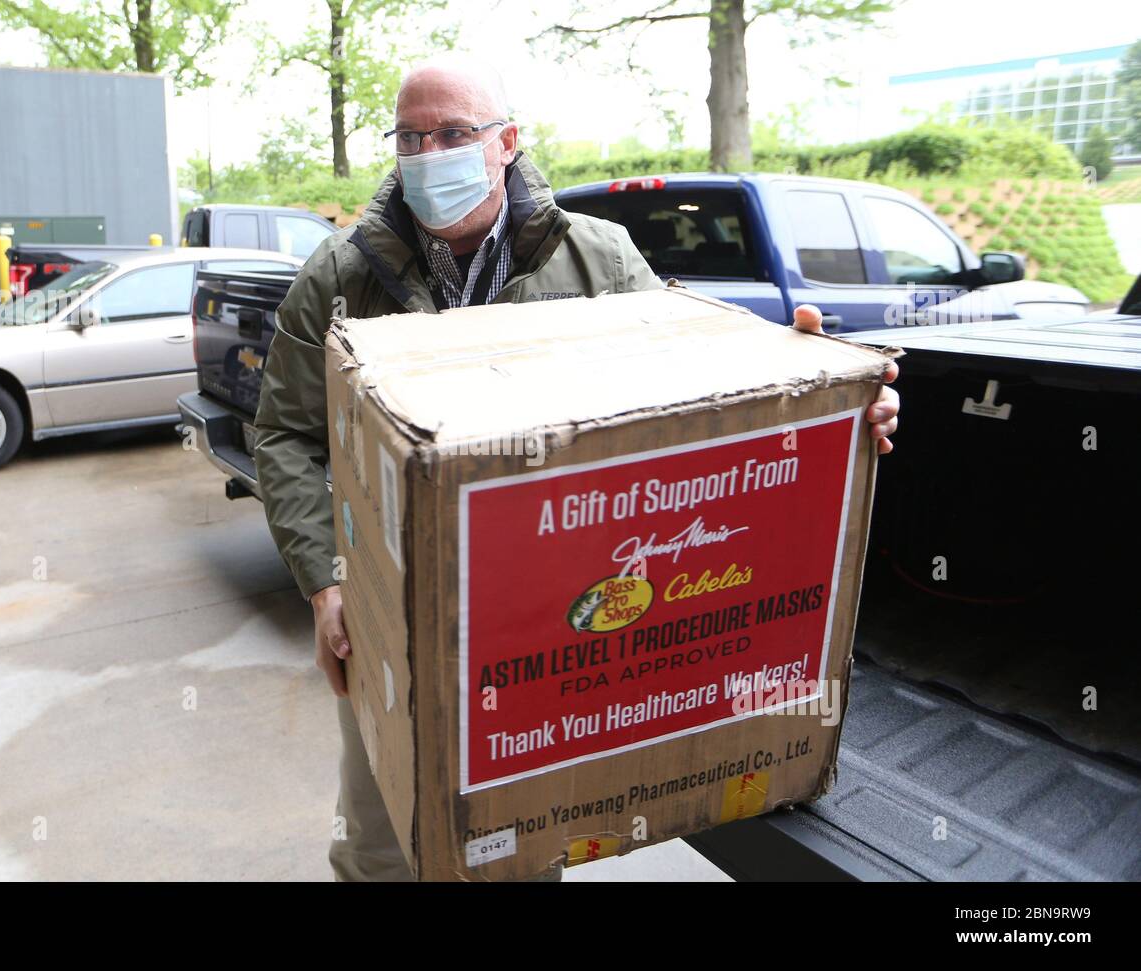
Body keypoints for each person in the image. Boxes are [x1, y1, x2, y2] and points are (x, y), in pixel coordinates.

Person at [251, 55, 900, 882]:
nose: (427, 153)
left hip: (548, 615)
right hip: (396, 609)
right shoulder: (338, 278)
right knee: (383, 837)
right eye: (410, 137)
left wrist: (825, 395)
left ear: (507, 143)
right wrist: (327, 580)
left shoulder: (599, 260)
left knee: (519, 833)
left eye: (452, 133)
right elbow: (286, 435)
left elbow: (700, 392)